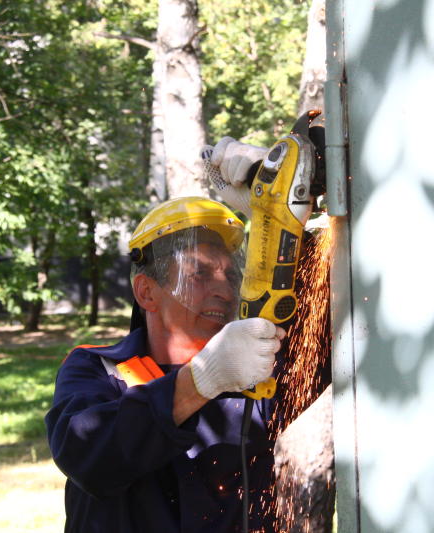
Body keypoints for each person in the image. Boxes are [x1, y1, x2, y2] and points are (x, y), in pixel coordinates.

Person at [45, 138, 287, 533]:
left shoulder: (257, 370)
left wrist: (274, 219)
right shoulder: (97, 368)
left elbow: (320, 315)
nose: (224, 290)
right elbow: (89, 457)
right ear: (146, 292)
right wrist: (202, 380)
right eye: (199, 274)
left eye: (230, 274)